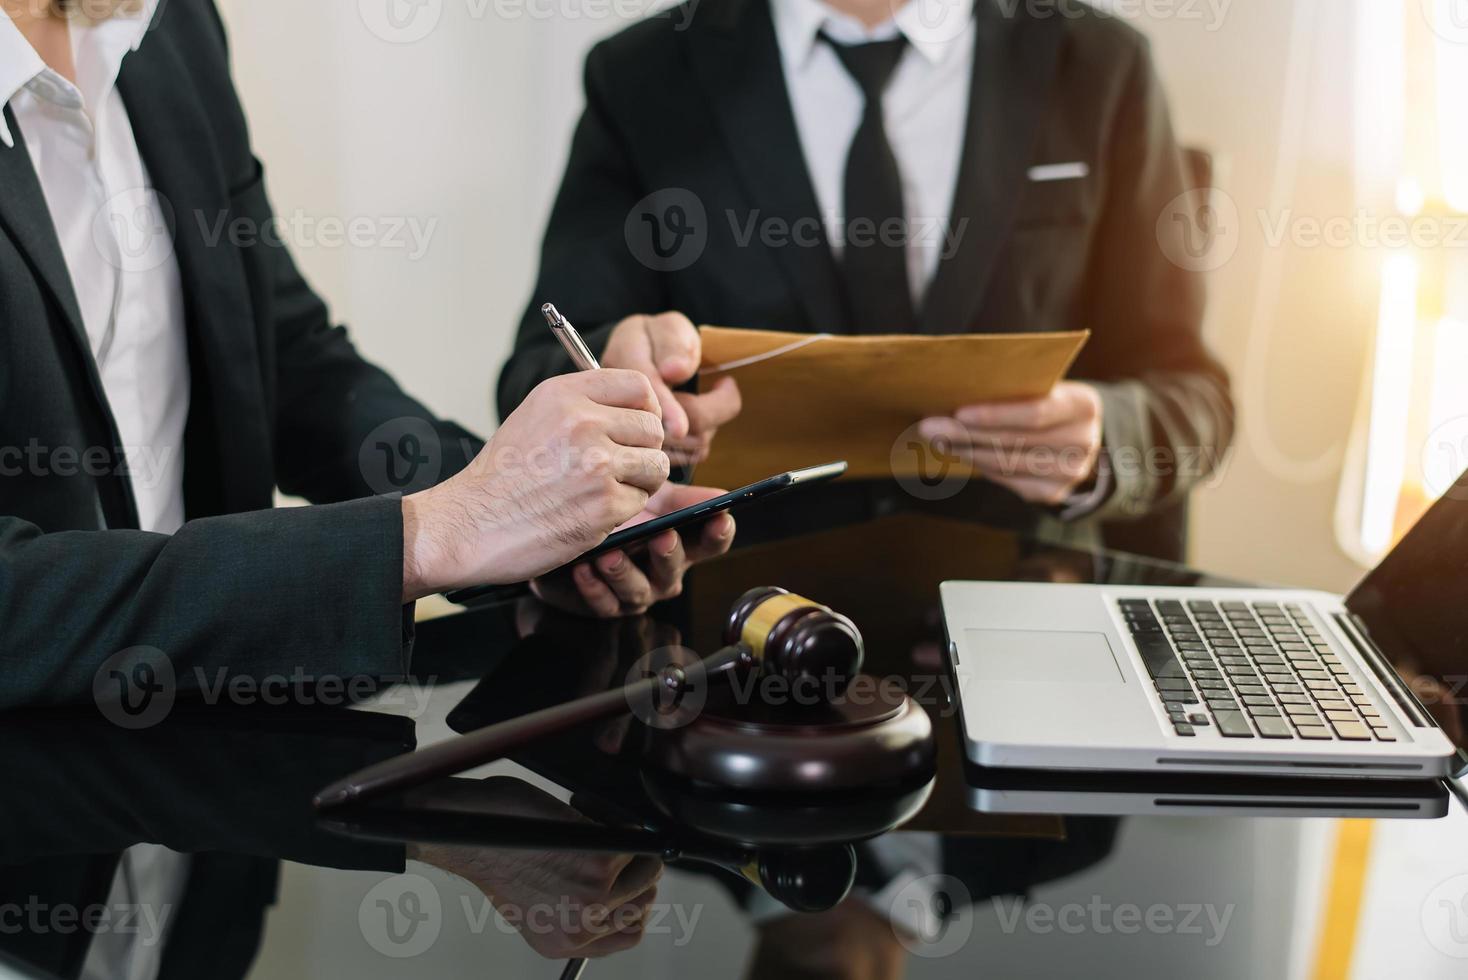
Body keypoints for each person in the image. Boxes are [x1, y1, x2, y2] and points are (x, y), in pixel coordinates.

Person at [0, 0, 734, 716]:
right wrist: (431, 537)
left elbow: (283, 360)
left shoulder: (167, 22)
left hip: (208, 742)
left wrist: (526, 519)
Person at [499, 0, 1236, 561]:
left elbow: (1193, 395)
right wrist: (615, 375)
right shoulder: (643, 77)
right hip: (734, 618)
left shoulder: (1101, 64)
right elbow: (536, 373)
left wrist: (1105, 440)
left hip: (1026, 602)